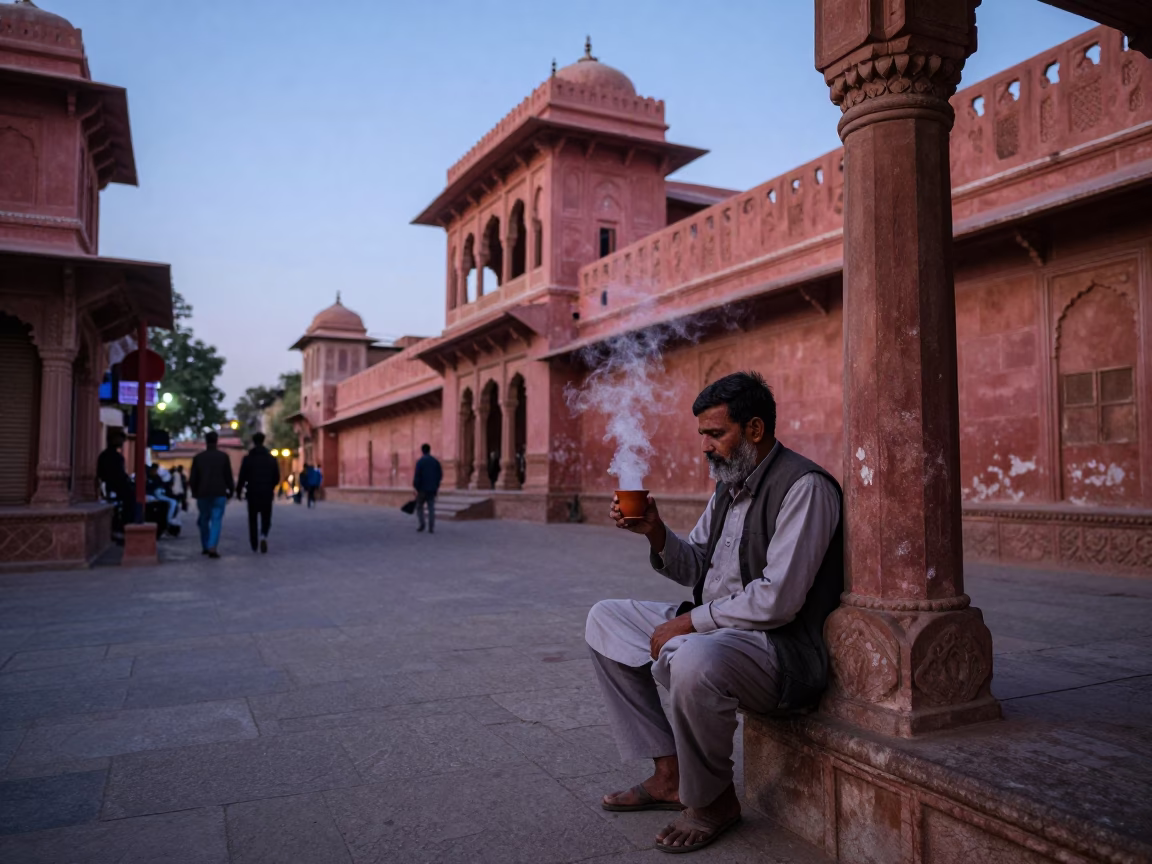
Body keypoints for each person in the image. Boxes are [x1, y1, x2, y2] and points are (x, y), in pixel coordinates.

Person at [585, 371, 842, 854]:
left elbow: (778, 600)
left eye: (715, 433)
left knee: (691, 657)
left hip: (778, 647)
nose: (705, 446)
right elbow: (695, 566)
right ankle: (669, 775)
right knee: (604, 619)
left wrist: (689, 622)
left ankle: (713, 801)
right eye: (702, 434)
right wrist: (655, 532)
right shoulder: (730, 483)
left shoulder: (804, 487)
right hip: (717, 628)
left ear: (755, 429)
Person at [189, 430, 235, 558]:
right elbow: (228, 476)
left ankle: (205, 545)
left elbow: (193, 478)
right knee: (216, 520)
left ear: (206, 441)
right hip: (219, 492)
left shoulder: (198, 458)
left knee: (203, 519)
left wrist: (194, 492)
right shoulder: (223, 457)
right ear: (216, 441)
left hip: (202, 493)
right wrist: (231, 490)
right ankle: (212, 546)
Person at [237, 432, 280, 554]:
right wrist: (270, 486)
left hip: (252, 492)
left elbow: (242, 477)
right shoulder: (271, 459)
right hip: (266, 492)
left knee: (252, 518)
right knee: (266, 517)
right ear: (263, 441)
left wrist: (239, 491)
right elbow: (276, 477)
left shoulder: (248, 458)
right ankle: (263, 535)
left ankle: (254, 543)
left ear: (253, 441)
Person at [96, 430, 134, 526]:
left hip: (112, 485)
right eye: (120, 440)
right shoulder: (113, 457)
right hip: (114, 486)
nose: (121, 442)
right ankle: (125, 524)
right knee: (131, 499)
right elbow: (117, 475)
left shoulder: (106, 455)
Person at [412, 443, 442, 534]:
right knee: (431, 508)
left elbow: (417, 476)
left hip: (422, 489)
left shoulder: (420, 462)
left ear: (422, 451)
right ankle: (431, 527)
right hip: (432, 489)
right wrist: (436, 485)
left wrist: (416, 487)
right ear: (429, 450)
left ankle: (422, 524)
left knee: (419, 507)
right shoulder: (435, 462)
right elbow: (440, 475)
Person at [145, 463, 181, 534]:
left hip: (160, 495)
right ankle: (168, 520)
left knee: (173, 503)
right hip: (152, 497)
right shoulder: (148, 477)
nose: (155, 471)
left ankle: (169, 520)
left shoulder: (157, 477)